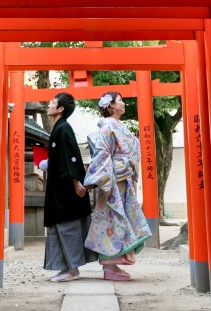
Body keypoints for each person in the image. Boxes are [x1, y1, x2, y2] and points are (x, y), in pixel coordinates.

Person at [84, 91, 152, 281]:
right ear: (111, 106)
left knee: (121, 219)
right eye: (121, 101)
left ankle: (114, 263)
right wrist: (95, 179)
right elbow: (103, 154)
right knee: (112, 219)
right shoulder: (107, 127)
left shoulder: (117, 126)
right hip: (113, 180)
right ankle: (110, 265)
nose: (124, 104)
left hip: (123, 178)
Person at [42, 92, 97, 282]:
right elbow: (61, 158)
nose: (49, 104)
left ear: (61, 109)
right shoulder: (59, 128)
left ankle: (72, 269)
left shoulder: (64, 128)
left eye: (53, 102)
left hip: (65, 189)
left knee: (67, 226)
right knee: (59, 226)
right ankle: (65, 266)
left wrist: (75, 181)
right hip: (59, 187)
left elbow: (71, 157)